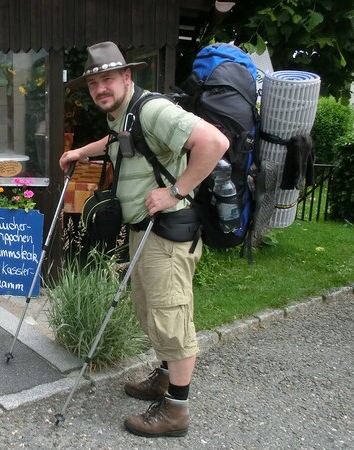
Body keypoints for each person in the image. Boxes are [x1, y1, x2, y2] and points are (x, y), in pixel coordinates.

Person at [59, 41, 228, 437]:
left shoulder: (152, 110)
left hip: (167, 232)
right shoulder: (124, 114)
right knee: (148, 311)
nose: (101, 88)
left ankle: (176, 411)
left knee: (171, 319)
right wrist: (79, 152)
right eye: (94, 83)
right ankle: (165, 378)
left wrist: (175, 191)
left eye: (108, 80)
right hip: (145, 231)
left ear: (127, 77)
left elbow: (214, 143)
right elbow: (116, 143)